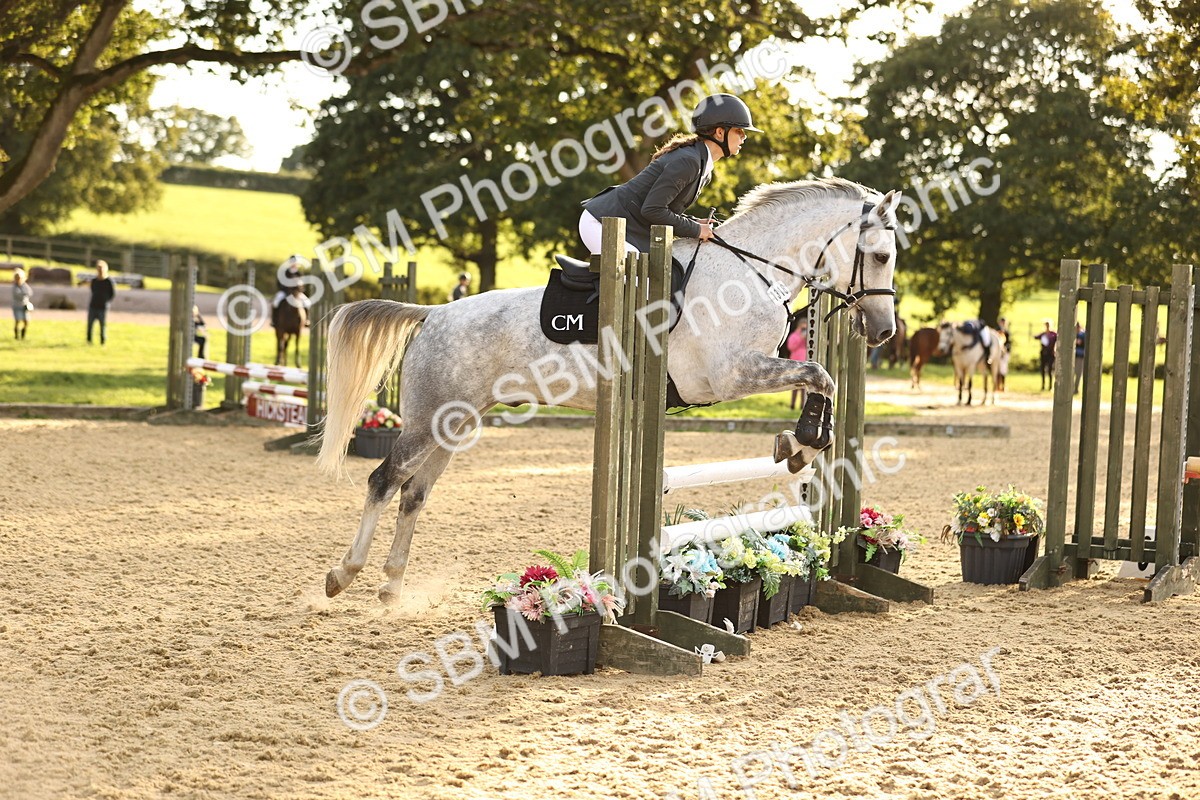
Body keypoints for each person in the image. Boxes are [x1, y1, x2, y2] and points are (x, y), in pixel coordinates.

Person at [578, 93, 760, 255]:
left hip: (624, 227)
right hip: (602, 224)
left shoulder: (703, 165)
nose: (744, 137)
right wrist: (697, 230)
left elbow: (667, 210)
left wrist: (697, 222)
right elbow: (652, 210)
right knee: (640, 285)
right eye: (739, 131)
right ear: (720, 132)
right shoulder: (689, 161)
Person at [87, 259, 116, 345]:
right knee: (90, 325)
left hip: (102, 306)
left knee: (102, 325)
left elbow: (112, 293)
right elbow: (93, 290)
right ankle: (89, 341)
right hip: (93, 305)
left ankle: (102, 341)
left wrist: (106, 301)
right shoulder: (94, 281)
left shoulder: (108, 282)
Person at [785, 319, 808, 410]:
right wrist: (800, 337)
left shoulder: (808, 337)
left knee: (803, 386)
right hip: (795, 362)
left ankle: (802, 405)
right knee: (795, 385)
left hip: (805, 362)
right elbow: (791, 347)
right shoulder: (794, 336)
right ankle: (792, 405)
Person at [1034, 320, 1056, 391]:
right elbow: (1036, 337)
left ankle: (1050, 386)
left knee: (1050, 370)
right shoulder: (1043, 334)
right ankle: (1043, 385)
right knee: (1043, 370)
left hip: (1051, 354)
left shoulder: (1053, 334)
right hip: (1044, 353)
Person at [11, 267, 33, 340]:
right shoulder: (14, 287)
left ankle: (23, 335)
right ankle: (16, 336)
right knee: (17, 320)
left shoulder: (24, 285)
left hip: (24, 306)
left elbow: (29, 292)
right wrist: (24, 294)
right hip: (17, 306)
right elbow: (18, 295)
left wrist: (24, 294)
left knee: (26, 321)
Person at [1073, 322, 1086, 395]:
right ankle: (1073, 388)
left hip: (1080, 356)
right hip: (1075, 356)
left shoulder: (1082, 335)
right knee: (1073, 373)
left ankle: (1076, 389)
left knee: (1078, 373)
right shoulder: (1074, 334)